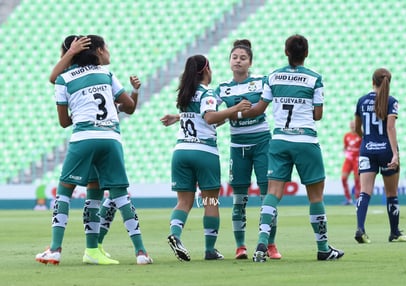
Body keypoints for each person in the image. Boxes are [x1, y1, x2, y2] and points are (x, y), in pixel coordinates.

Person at [35, 35, 152, 265]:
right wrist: (134, 92)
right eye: (106, 47)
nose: (107, 50)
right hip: (111, 138)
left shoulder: (64, 79)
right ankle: (140, 253)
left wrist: (80, 110)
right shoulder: (107, 75)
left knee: (64, 191)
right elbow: (129, 107)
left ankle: (56, 249)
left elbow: (63, 122)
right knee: (116, 195)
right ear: (96, 51)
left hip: (84, 137)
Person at [240, 34, 344, 262]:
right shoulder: (315, 79)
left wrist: (234, 114)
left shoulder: (273, 77)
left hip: (279, 141)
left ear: (286, 52)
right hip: (306, 140)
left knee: (273, 193)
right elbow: (318, 115)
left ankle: (261, 243)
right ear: (306, 53)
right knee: (315, 197)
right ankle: (323, 248)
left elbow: (259, 109)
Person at [160, 54, 251, 261]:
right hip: (204, 151)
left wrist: (177, 117)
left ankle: (175, 235)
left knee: (184, 202)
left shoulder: (185, 94)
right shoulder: (206, 93)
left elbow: (196, 118)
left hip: (181, 151)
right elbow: (209, 117)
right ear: (206, 70)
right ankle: (210, 249)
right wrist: (235, 109)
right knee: (210, 200)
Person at [214, 39, 281, 259]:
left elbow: (258, 108)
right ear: (229, 61)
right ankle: (240, 246)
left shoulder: (261, 83)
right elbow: (211, 115)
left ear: (250, 62)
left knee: (267, 195)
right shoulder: (222, 88)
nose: (238, 61)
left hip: (262, 143)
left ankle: (270, 244)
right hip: (237, 146)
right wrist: (180, 116)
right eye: (235, 57)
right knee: (238, 199)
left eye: (243, 58)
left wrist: (234, 113)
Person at [354, 68, 406, 244]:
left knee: (364, 192)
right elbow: (390, 128)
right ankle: (394, 232)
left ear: (373, 81)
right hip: (386, 150)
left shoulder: (362, 101)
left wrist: (367, 141)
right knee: (391, 193)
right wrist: (395, 154)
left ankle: (360, 229)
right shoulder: (391, 101)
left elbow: (357, 129)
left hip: (367, 150)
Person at [341, 120, 361, 205]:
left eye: (354, 125)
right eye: (351, 125)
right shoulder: (347, 136)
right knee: (343, 178)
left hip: (357, 159)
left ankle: (357, 199)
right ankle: (348, 198)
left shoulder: (360, 135)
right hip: (348, 160)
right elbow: (345, 147)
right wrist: (346, 153)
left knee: (357, 179)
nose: (352, 126)